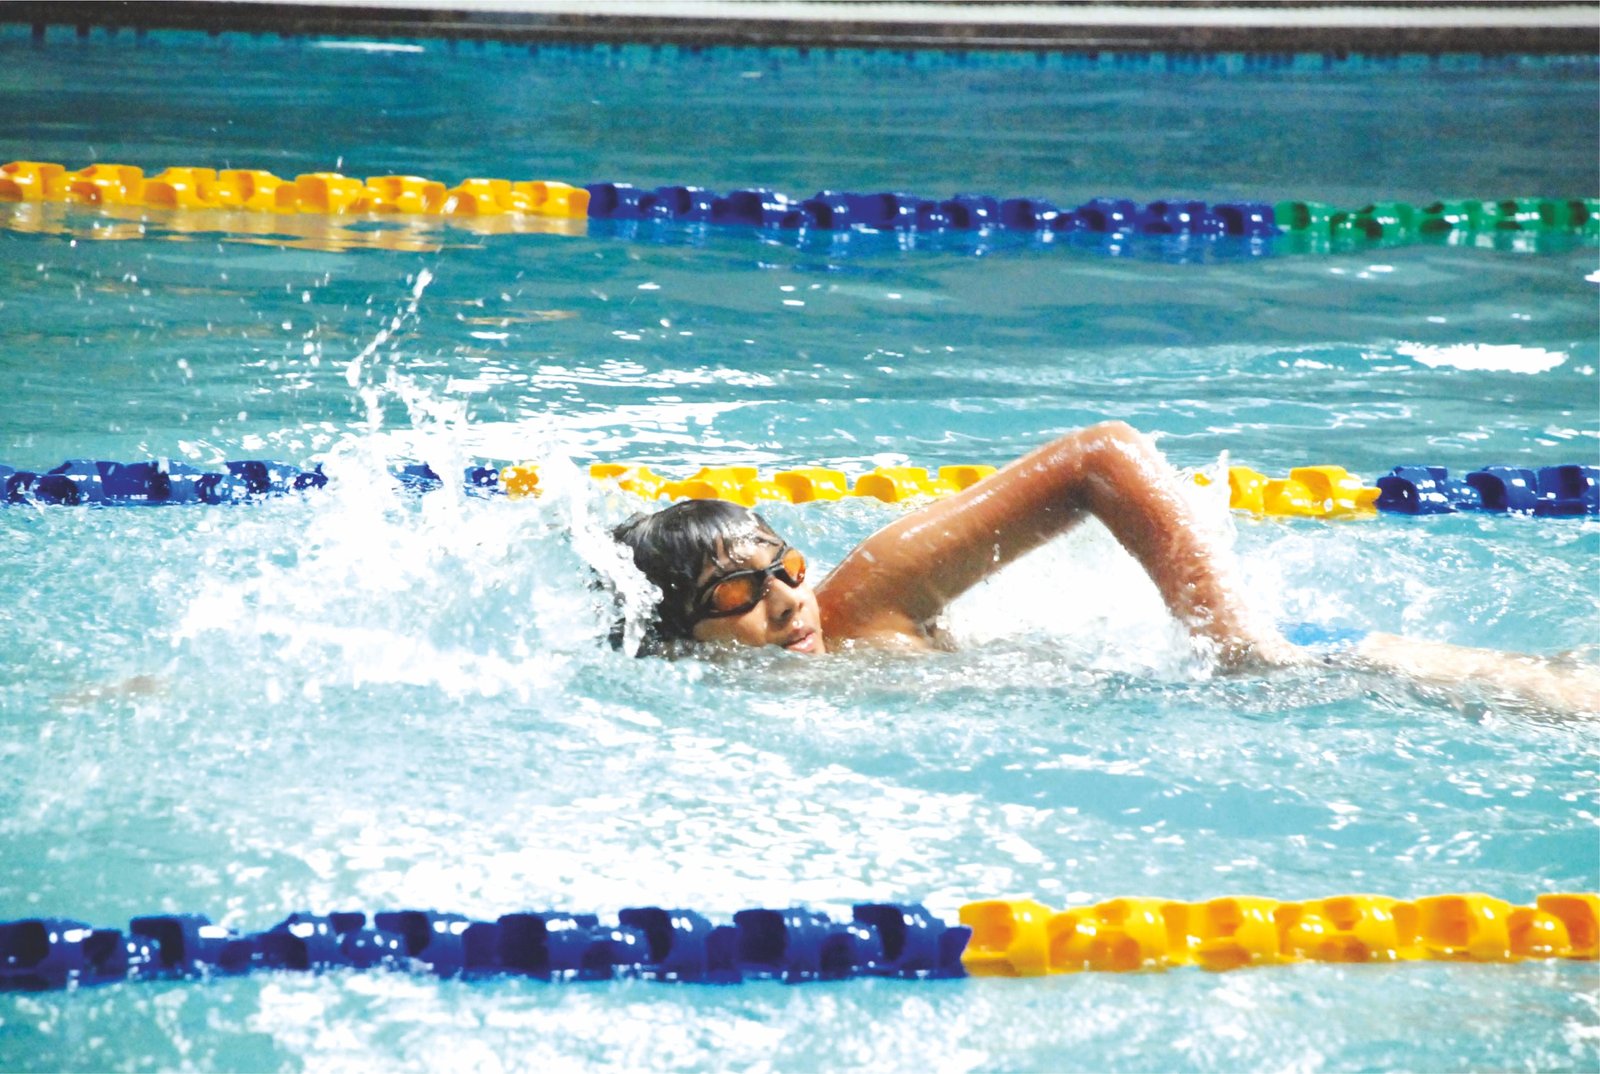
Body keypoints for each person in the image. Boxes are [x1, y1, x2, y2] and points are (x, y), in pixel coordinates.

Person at [611, 421, 1600, 714]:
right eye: (738, 594)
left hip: (1316, 662)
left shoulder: (864, 599)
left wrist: (1237, 646)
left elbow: (1102, 457)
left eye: (784, 566)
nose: (789, 603)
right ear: (676, 639)